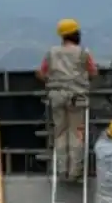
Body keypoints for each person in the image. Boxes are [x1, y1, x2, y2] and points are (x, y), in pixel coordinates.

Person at [37, 18, 98, 181]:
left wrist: (54, 81)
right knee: (76, 134)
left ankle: (62, 169)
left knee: (60, 133)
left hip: (56, 97)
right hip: (77, 97)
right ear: (76, 34)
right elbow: (93, 72)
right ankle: (74, 172)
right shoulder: (84, 52)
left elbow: (41, 73)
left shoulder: (51, 52)